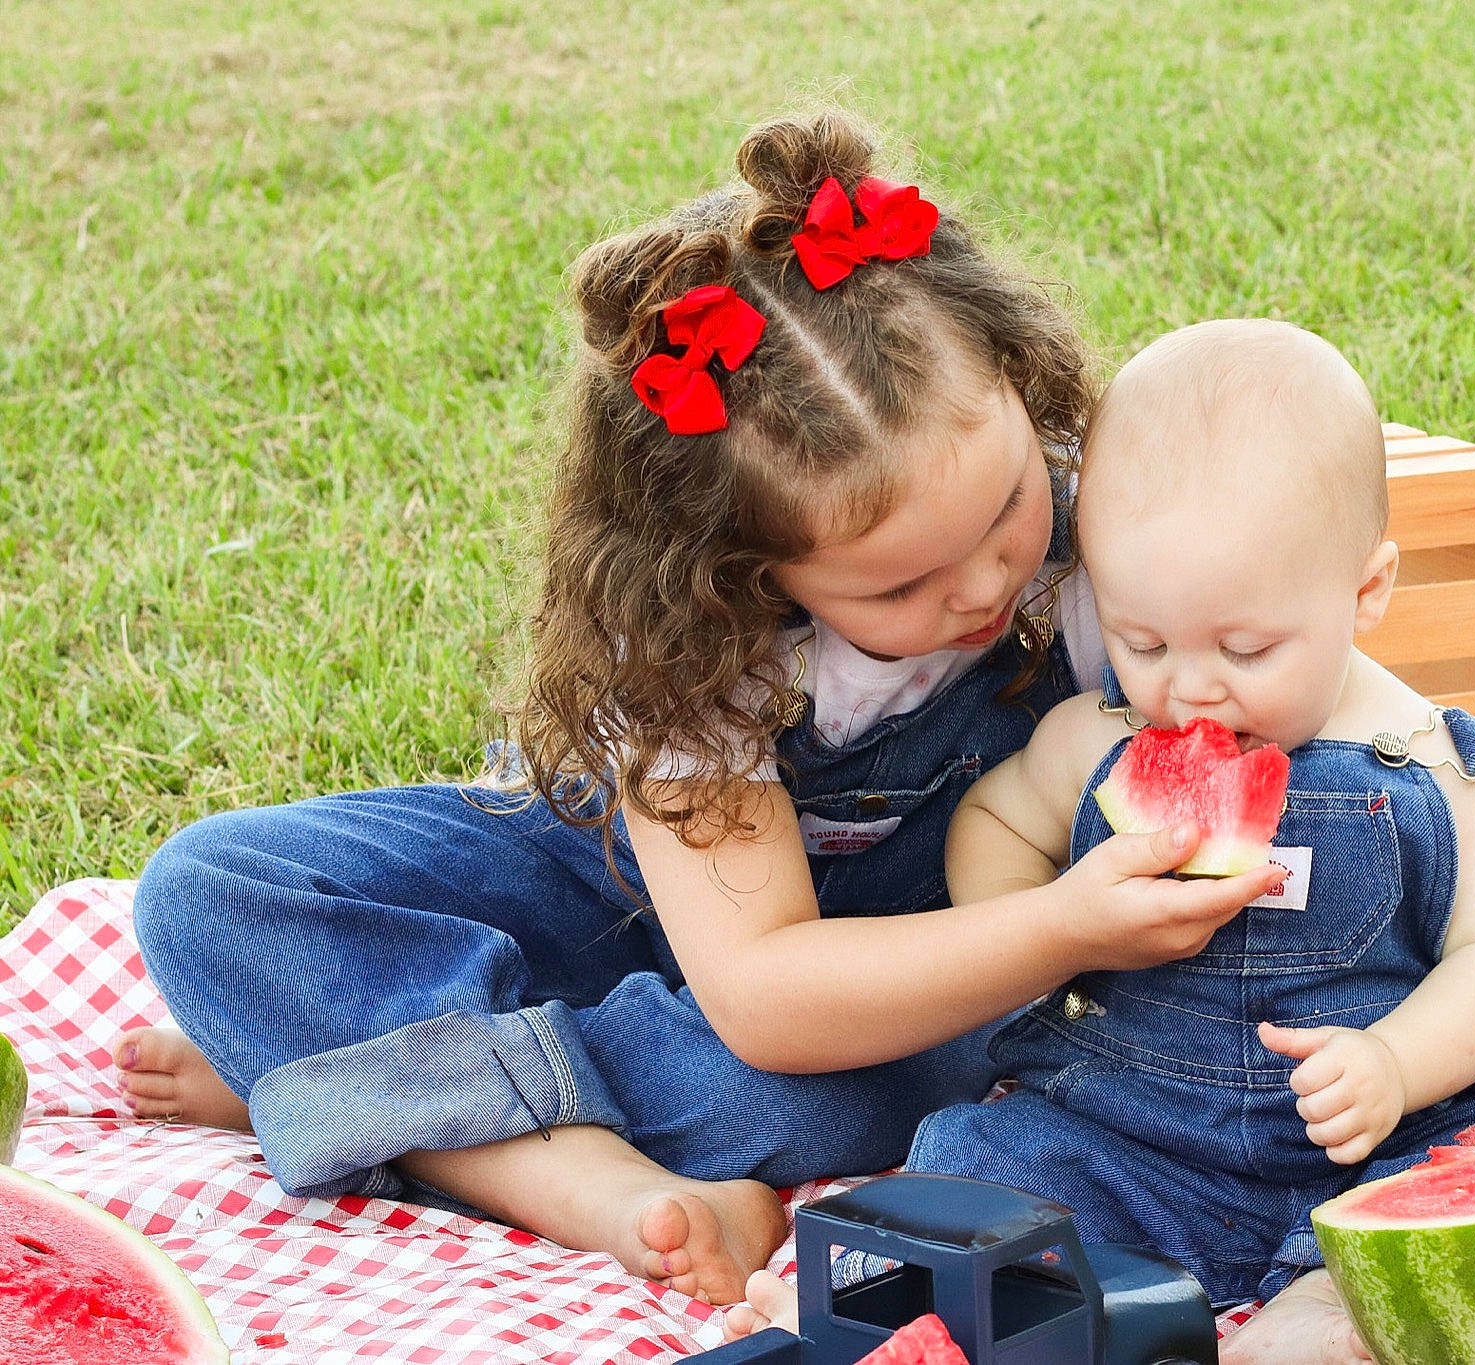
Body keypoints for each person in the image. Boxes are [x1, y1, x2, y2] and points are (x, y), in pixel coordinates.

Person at [109, 111, 1283, 1306]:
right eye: (897, 586)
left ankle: (360, 1077)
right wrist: (1064, 932)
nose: (985, 584)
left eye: (1004, 511)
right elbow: (766, 991)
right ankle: (521, 1150)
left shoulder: (1093, 533)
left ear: (1018, 388)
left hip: (918, 946)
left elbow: (1299, 667)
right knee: (212, 894)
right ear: (740, 570)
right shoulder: (688, 642)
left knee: (802, 1087)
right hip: (650, 898)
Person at [729, 319, 1475, 1363]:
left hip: (1372, 1138)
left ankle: (1318, 1312)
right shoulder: (1095, 737)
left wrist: (1396, 1065)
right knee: (977, 1164)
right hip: (1123, 1131)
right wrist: (1035, 927)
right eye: (1139, 642)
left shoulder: (1428, 760)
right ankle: (883, 1294)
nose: (1187, 687)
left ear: (1365, 592)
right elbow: (996, 815)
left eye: (1245, 647)